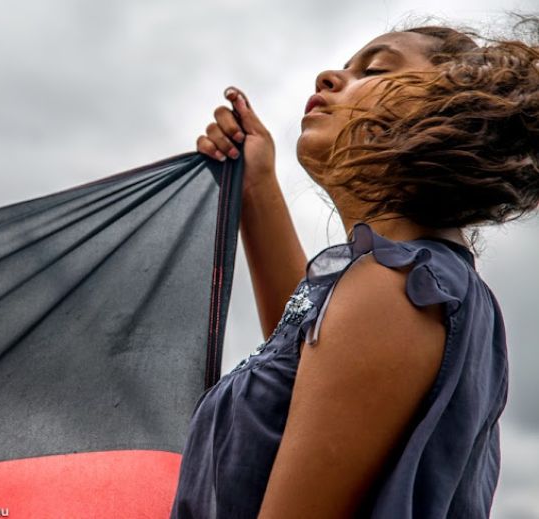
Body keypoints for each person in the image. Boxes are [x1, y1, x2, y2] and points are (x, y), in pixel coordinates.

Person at [170, 16, 539, 519]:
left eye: (376, 69)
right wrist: (256, 186)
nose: (328, 77)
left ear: (454, 110)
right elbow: (309, 358)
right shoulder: (412, 285)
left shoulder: (397, 288)